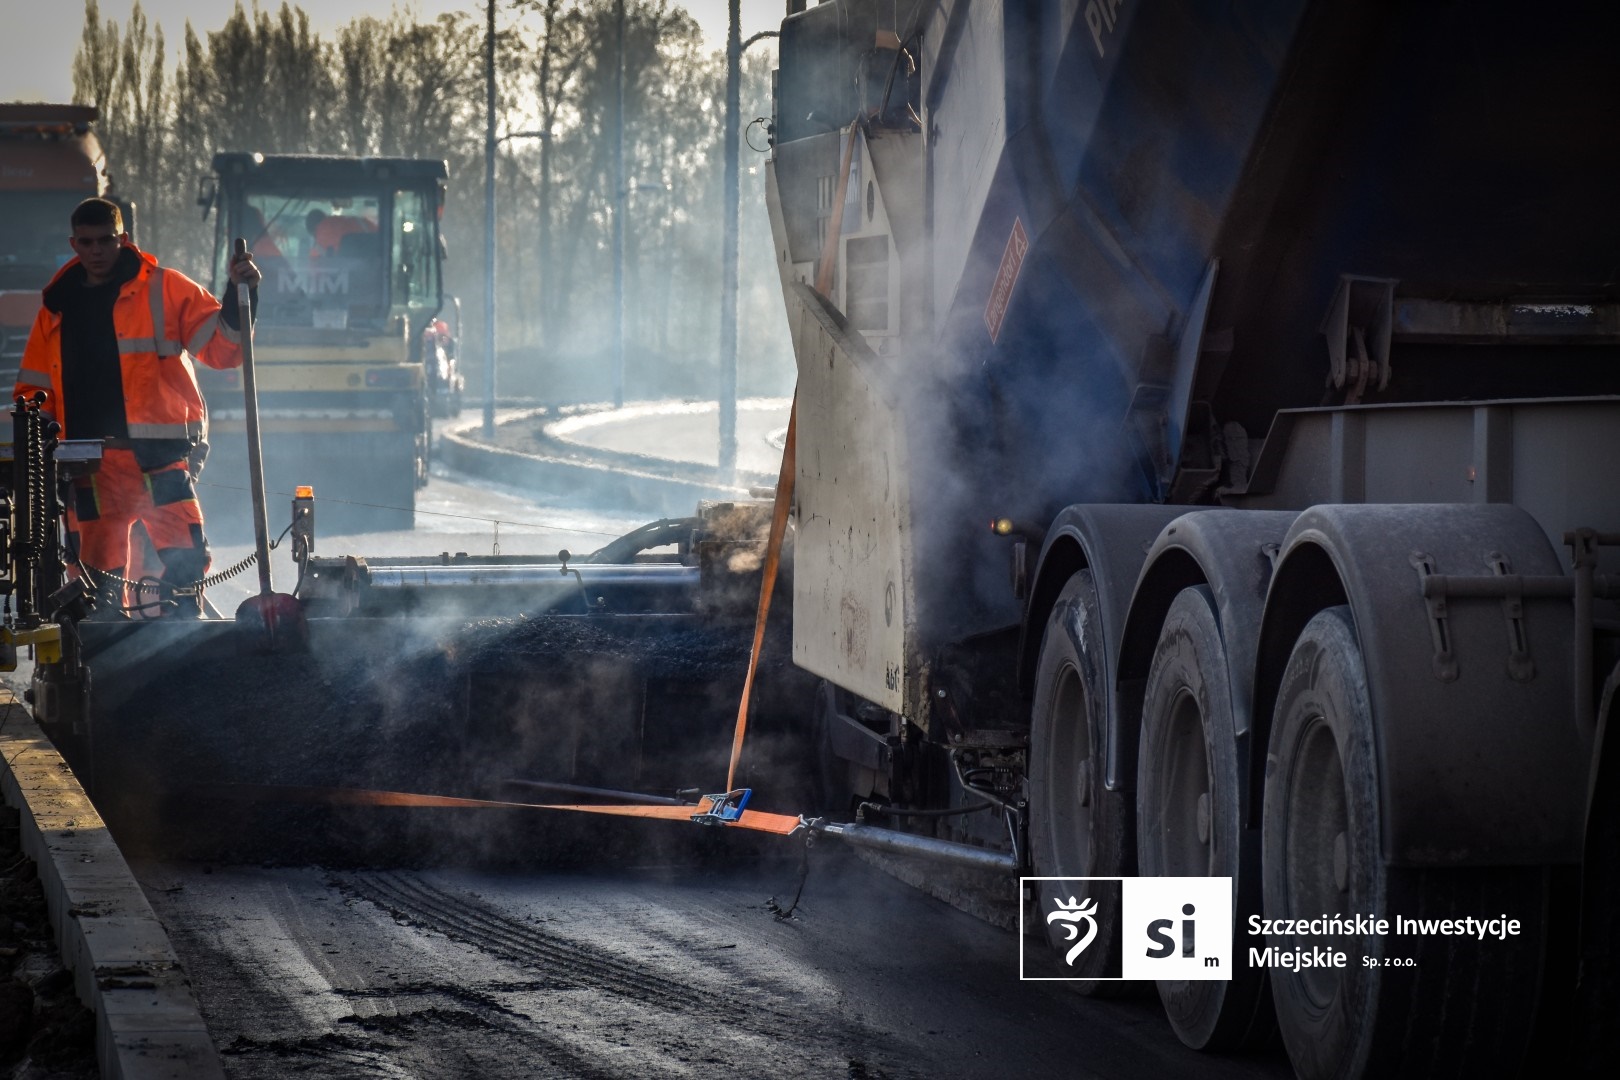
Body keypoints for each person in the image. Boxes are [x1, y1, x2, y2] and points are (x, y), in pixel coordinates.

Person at [14, 197, 261, 617]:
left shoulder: (166, 288)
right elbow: (34, 393)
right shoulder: (56, 308)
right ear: (74, 244)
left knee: (184, 558)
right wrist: (39, 461)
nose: (96, 251)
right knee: (93, 574)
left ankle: (180, 642)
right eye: (87, 242)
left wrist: (243, 294)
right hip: (89, 467)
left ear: (123, 239)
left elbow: (224, 351)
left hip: (159, 460)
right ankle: (102, 652)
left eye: (105, 241)